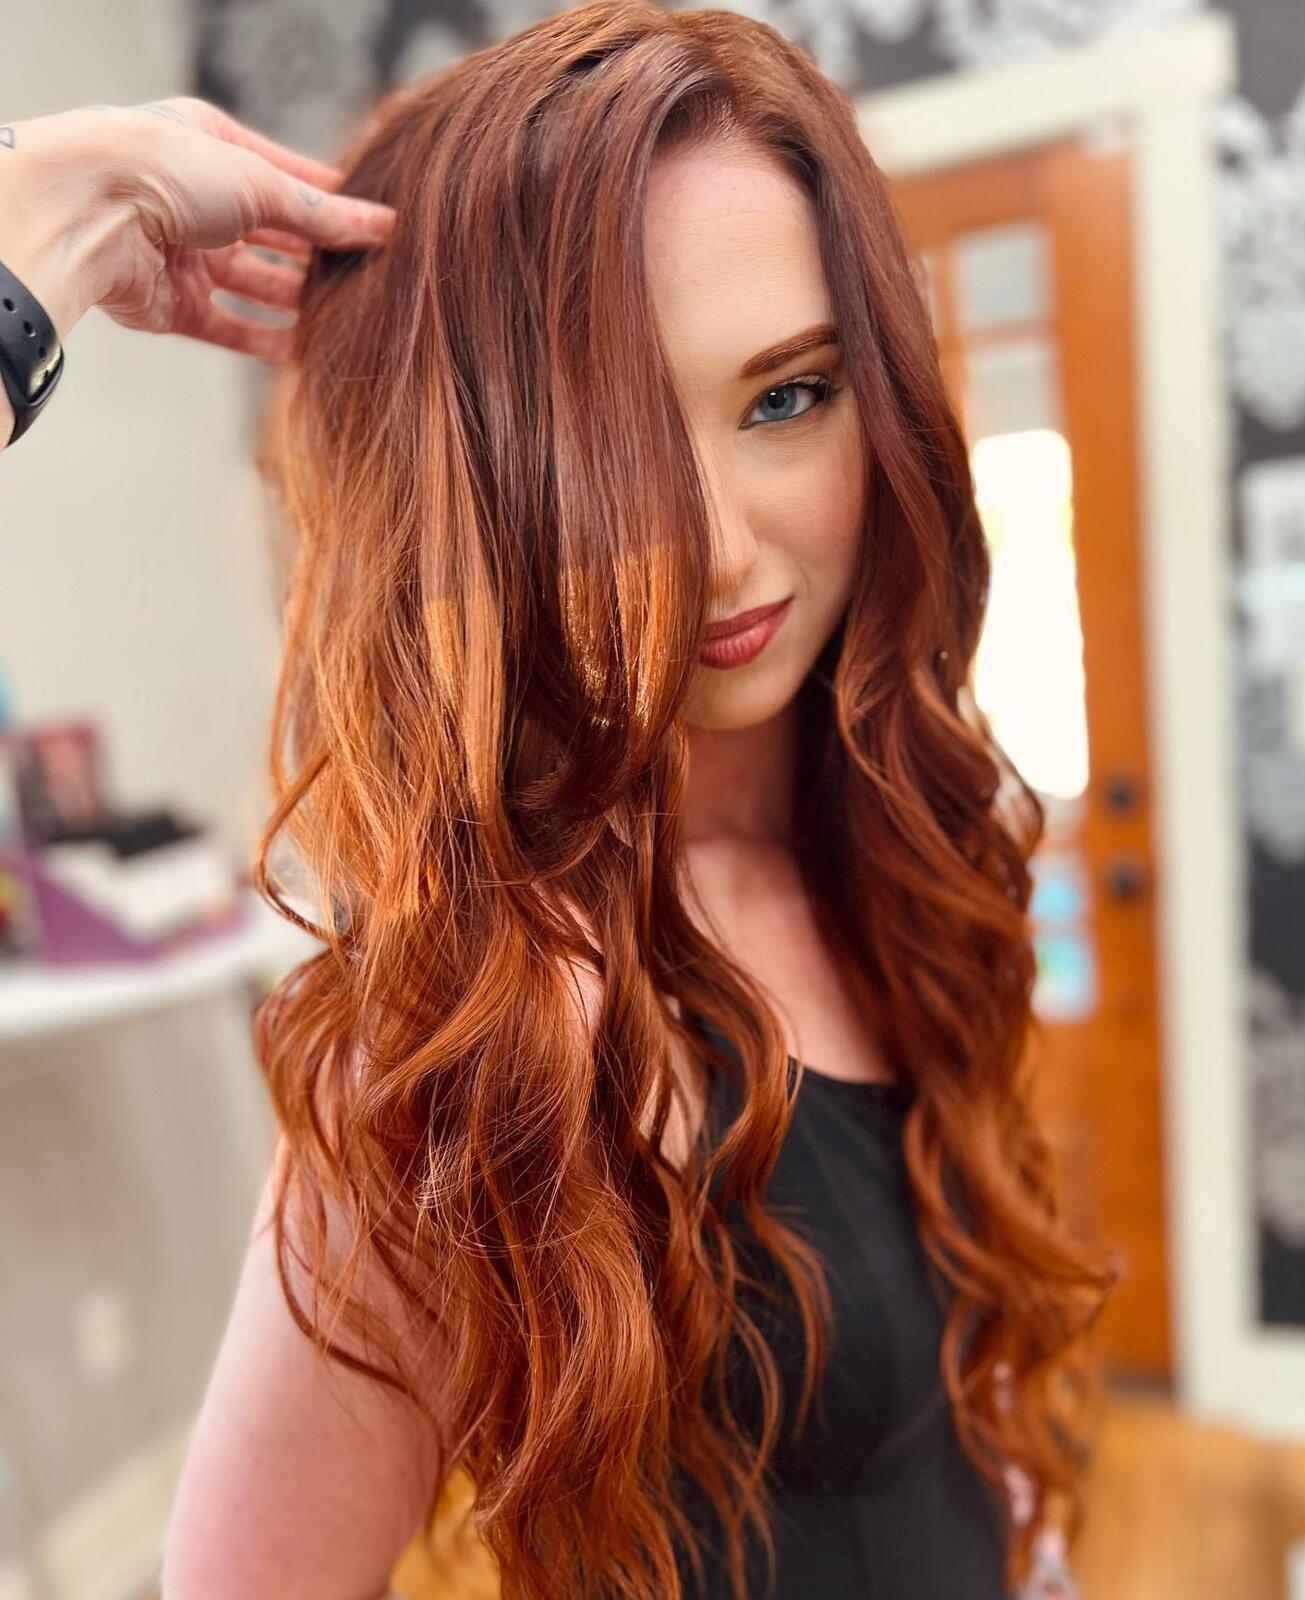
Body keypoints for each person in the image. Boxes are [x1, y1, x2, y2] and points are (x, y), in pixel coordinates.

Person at [0, 6, 1115, 1597]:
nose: (720, 551)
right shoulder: (472, 1041)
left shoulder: (883, 841)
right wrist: (43, 215)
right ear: (481, 484)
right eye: (609, 446)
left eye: (785, 398)